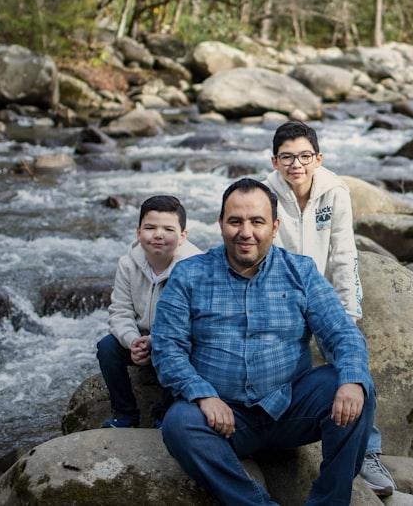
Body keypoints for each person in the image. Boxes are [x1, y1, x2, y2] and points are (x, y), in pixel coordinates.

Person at [152, 179, 375, 505]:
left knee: (357, 388)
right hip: (222, 419)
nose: (246, 232)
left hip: (291, 409)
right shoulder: (189, 275)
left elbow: (342, 333)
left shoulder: (300, 272)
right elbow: (167, 348)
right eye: (235, 221)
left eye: (257, 222)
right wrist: (202, 395)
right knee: (179, 424)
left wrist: (354, 378)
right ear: (221, 224)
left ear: (274, 226)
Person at [264, 121, 396, 495]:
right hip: (281, 294)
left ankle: (367, 451)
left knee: (350, 359)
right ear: (275, 161)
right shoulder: (264, 193)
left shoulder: (334, 191)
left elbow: (344, 255)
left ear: (317, 158)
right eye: (287, 157)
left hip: (321, 291)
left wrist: (348, 313)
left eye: (305, 156)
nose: (297, 165)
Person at [96, 194, 202, 428]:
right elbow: (120, 311)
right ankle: (125, 414)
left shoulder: (195, 267)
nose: (158, 235)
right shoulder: (127, 264)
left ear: (183, 236)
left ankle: (165, 413)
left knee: (193, 347)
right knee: (106, 347)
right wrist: (132, 341)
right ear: (138, 232)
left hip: (176, 341)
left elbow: (195, 321)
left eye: (168, 229)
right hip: (140, 339)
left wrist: (157, 340)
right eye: (150, 227)